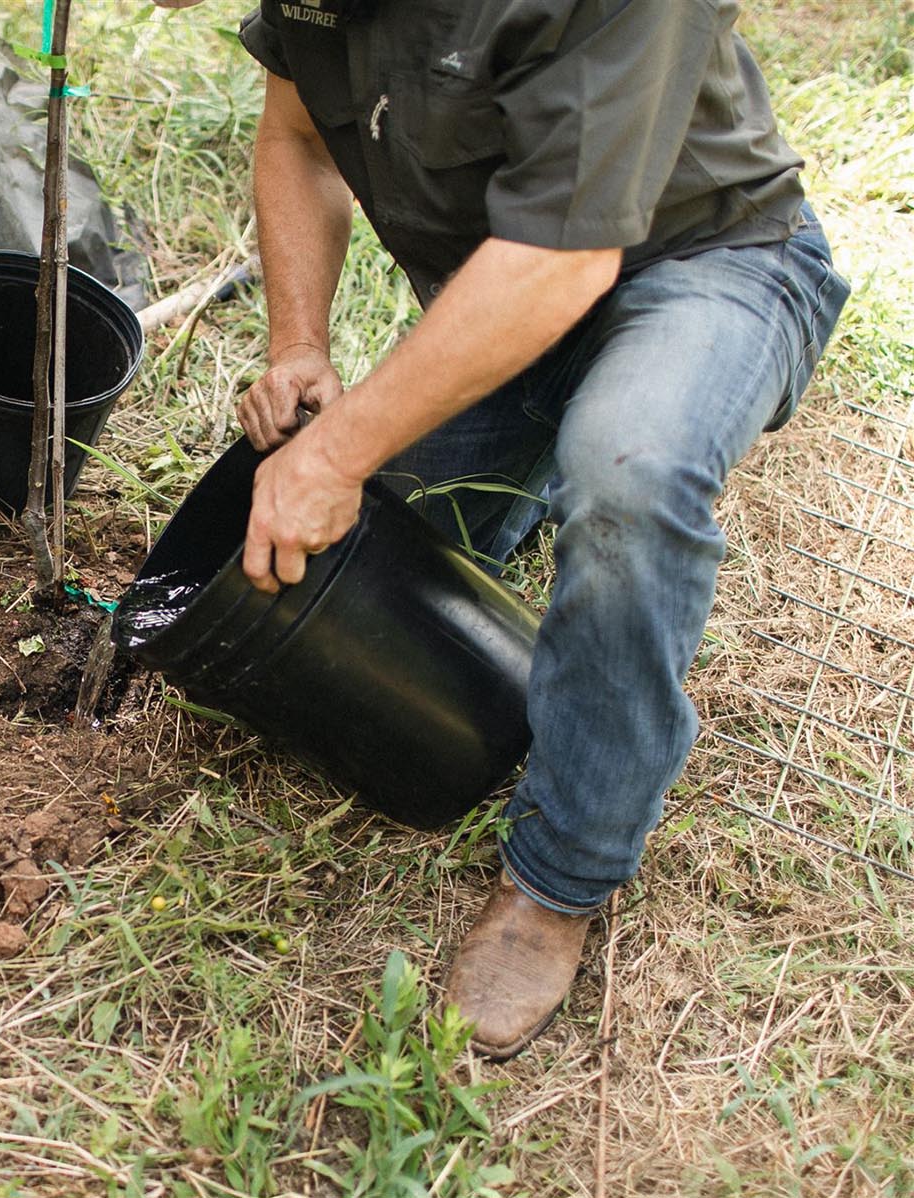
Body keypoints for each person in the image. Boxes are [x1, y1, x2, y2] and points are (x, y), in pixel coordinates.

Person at [211, 0, 847, 1058]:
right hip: (508, 288)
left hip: (703, 258)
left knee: (629, 473)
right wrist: (299, 342)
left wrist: (331, 452)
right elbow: (295, 135)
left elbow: (565, 261)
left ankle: (563, 874)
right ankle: (549, 450)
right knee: (366, 553)